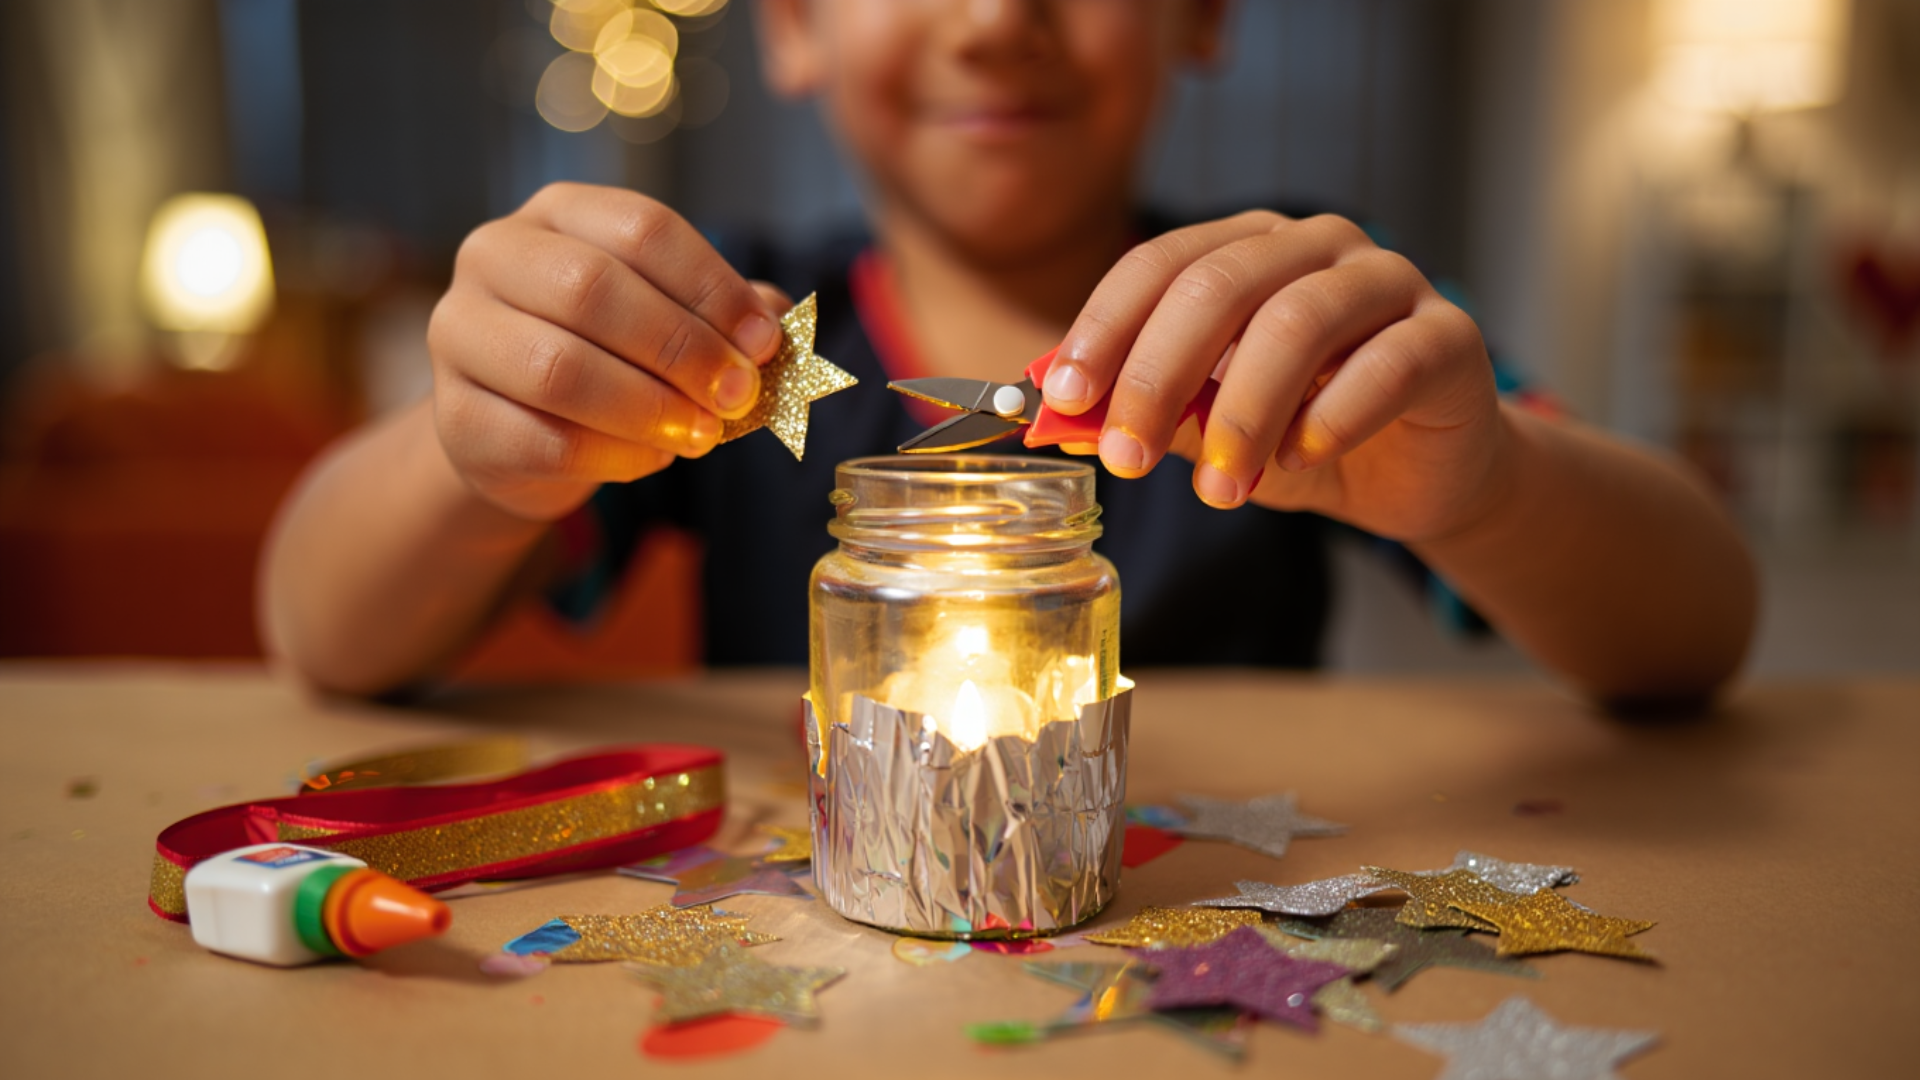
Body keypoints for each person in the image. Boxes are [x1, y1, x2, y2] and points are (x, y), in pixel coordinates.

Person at [260, 0, 1756, 705]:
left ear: (1203, 15)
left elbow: (1701, 621)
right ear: (793, 26)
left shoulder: (1303, 321)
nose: (995, 18)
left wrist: (1488, 486)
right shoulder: (712, 334)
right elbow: (320, 629)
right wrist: (478, 448)